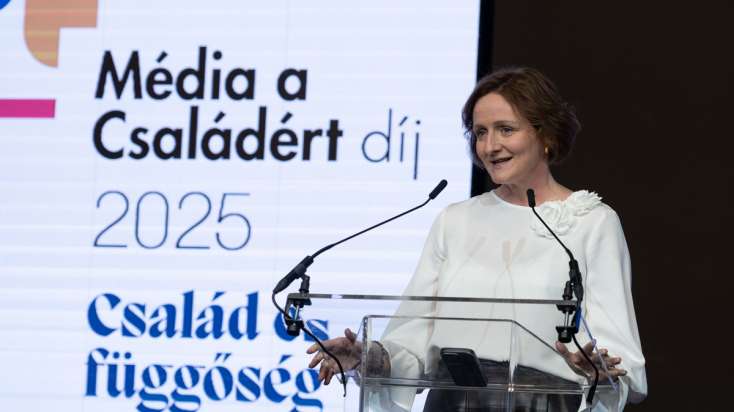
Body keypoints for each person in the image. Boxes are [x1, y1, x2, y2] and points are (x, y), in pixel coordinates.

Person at [307, 67, 647, 411]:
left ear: (546, 134)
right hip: (451, 402)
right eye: (480, 132)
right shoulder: (455, 220)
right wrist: (368, 358)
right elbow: (412, 339)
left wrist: (600, 369)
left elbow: (619, 351)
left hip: (542, 404)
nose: (490, 146)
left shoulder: (592, 222)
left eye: (506, 129)